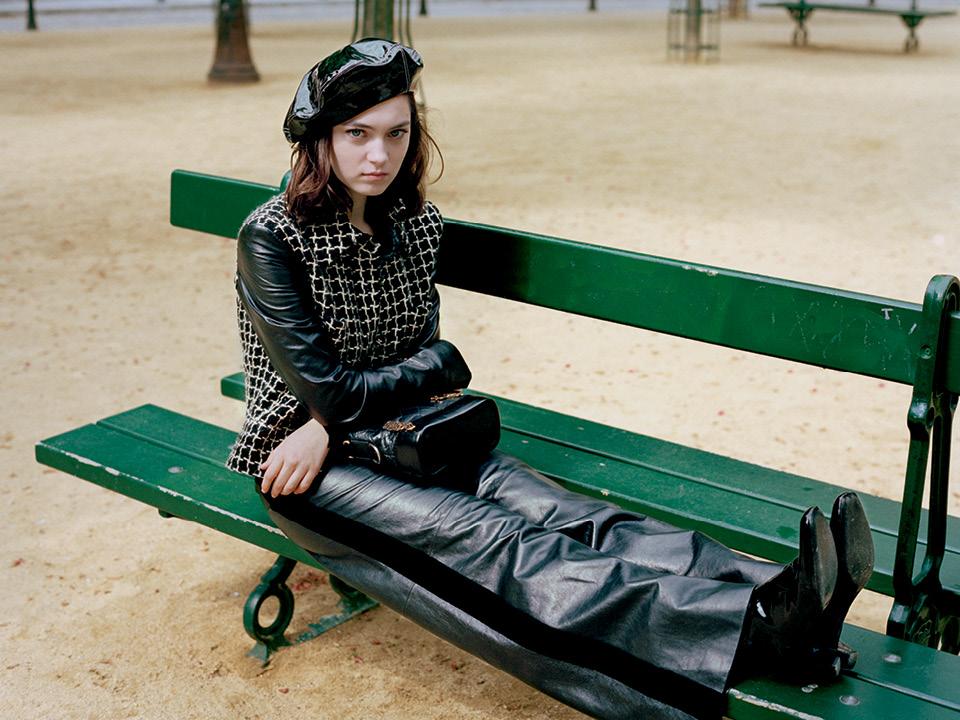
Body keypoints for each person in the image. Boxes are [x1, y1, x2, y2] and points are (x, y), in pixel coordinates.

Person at [225, 38, 874, 720]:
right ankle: (751, 629)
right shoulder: (273, 237)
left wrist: (378, 392)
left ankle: (781, 591)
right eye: (357, 135)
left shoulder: (414, 224)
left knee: (571, 515)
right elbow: (353, 385)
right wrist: (347, 410)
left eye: (396, 133)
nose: (378, 155)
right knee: (500, 540)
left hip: (414, 438)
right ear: (321, 140)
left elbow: (420, 367)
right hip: (306, 469)